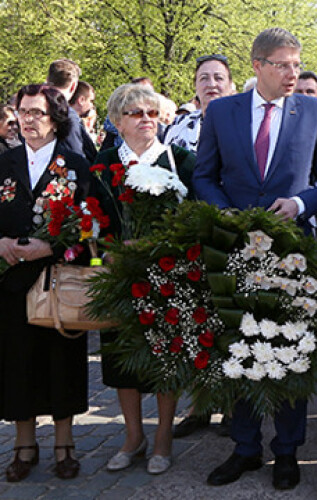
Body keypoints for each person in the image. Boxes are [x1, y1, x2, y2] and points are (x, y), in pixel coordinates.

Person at [193, 27, 317, 491]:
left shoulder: (315, 111)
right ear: (257, 66)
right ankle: (245, 448)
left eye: (297, 64)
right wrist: (225, 214)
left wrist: (300, 204)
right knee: (238, 347)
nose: (292, 73)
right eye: (282, 65)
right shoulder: (222, 111)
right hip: (233, 250)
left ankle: (287, 451)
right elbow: (205, 175)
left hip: (293, 250)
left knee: (289, 351)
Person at [96, 83, 197, 476]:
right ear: (119, 121)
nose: (146, 121)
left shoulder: (180, 161)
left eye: (153, 114)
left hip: (167, 277)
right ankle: (132, 436)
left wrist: (164, 246)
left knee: (165, 356)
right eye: (137, 113)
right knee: (122, 360)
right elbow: (86, 224)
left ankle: (163, 438)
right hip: (117, 277)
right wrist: (99, 259)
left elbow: (194, 219)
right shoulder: (102, 164)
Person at [0, 84, 91, 482]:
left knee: (61, 361)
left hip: (58, 281)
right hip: (11, 283)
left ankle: (64, 444)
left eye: (37, 112)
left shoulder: (75, 165)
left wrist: (52, 247)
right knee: (16, 362)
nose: (28, 119)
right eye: (23, 111)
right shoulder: (4, 162)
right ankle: (23, 445)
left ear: (55, 118)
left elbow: (91, 227)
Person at [162, 54, 234, 438]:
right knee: (198, 318)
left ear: (232, 83)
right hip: (191, 235)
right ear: (194, 86)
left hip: (232, 230)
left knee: (231, 317)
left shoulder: (243, 120)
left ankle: (235, 405)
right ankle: (201, 404)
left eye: (219, 77)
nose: (211, 84)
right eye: (203, 78)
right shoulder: (179, 126)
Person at [45, 59, 97, 162]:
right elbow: (75, 156)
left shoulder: (31, 109)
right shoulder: (67, 115)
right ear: (74, 86)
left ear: (47, 80)